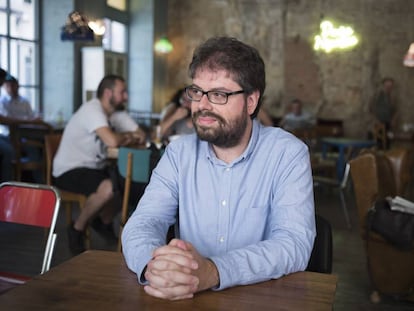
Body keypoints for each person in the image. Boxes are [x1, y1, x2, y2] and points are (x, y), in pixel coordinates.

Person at [122, 36, 316, 300]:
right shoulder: (179, 153)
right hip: (186, 298)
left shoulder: (287, 154)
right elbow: (145, 221)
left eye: (219, 95)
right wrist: (154, 266)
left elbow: (293, 243)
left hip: (260, 300)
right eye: (196, 91)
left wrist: (214, 271)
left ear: (251, 102)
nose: (202, 105)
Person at [53, 74, 146, 255]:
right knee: (108, 188)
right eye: (122, 92)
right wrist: (126, 137)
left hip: (94, 168)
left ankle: (102, 219)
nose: (126, 97)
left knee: (130, 186)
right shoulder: (92, 110)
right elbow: (112, 141)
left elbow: (141, 135)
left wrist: (125, 137)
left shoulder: (116, 114)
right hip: (69, 169)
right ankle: (77, 228)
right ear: (107, 93)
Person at [0, 75, 39, 182]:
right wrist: (27, 120)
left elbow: (31, 118)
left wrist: (28, 121)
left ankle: (40, 183)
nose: (10, 88)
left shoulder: (24, 101)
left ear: (18, 86)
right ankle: (8, 185)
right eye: (7, 86)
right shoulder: (2, 101)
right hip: (7, 135)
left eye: (13, 85)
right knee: (10, 151)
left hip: (24, 135)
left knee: (35, 150)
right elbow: (6, 120)